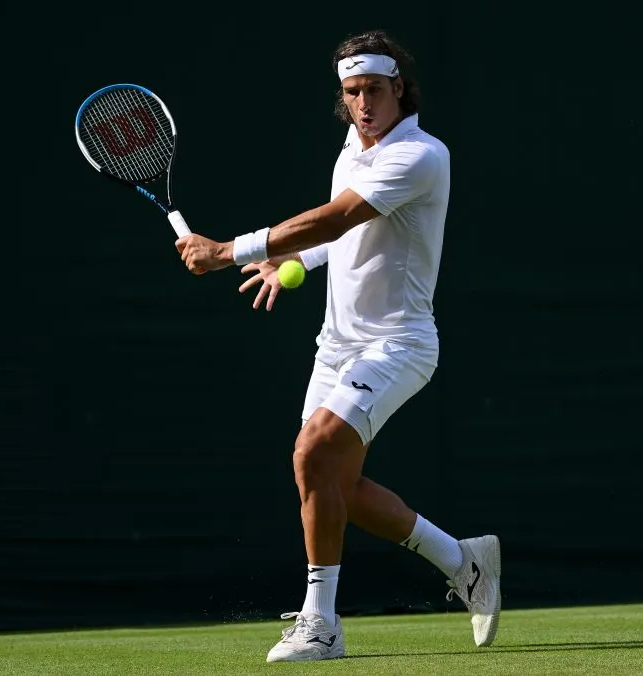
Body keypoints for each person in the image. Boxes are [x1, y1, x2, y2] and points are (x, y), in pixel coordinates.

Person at [174, 29, 500, 663]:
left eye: (374, 90)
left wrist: (230, 252)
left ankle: (321, 625)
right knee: (328, 480)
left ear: (400, 88)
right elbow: (341, 233)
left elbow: (339, 215)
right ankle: (463, 559)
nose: (363, 104)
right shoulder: (353, 147)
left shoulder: (423, 155)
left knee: (316, 448)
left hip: (399, 344)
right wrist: (290, 259)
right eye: (352, 92)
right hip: (337, 346)